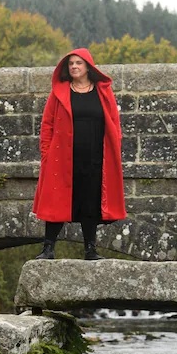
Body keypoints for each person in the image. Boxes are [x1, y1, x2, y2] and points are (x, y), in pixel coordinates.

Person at [31, 48, 126, 260]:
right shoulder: (59, 92)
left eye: (78, 63)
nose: (74, 66)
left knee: (91, 201)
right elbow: (47, 125)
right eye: (71, 63)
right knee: (57, 200)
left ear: (88, 67)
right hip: (63, 158)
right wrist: (46, 154)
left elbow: (114, 123)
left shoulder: (103, 92)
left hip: (95, 158)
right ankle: (48, 248)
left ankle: (90, 250)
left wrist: (114, 150)